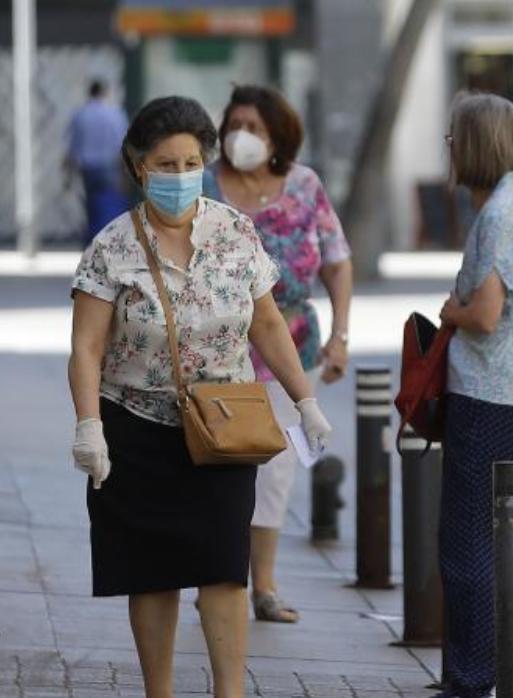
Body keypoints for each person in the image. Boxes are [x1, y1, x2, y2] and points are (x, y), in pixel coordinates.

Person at [67, 95, 333, 698]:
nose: (181, 176)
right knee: (151, 574)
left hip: (222, 427)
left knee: (222, 567)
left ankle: (228, 692)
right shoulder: (112, 248)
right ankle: (158, 691)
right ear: (139, 167)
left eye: (191, 162)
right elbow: (85, 347)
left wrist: (305, 399)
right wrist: (89, 426)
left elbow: (266, 324)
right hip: (134, 427)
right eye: (166, 164)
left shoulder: (235, 232)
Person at [204, 84, 353, 623]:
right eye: (234, 123)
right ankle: (216, 577)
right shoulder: (202, 185)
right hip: (215, 356)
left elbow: (336, 260)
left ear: (278, 138)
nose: (241, 135)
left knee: (276, 467)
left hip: (290, 350)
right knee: (217, 466)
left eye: (254, 127)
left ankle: (262, 584)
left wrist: (340, 335)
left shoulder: (305, 185)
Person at [435, 92, 513, 698]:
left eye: (455, 139)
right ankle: (478, 671)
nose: (450, 150)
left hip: (494, 393)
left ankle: (472, 677)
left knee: (467, 541)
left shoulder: (506, 212)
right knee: (487, 536)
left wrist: (449, 312)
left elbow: (486, 314)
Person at [68, 80, 130, 244]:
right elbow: (122, 145)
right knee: (109, 204)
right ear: (105, 92)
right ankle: (108, 238)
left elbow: (74, 146)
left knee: (91, 206)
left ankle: (92, 239)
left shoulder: (80, 114)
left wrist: (67, 174)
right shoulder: (115, 114)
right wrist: (124, 173)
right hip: (109, 166)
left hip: (87, 168)